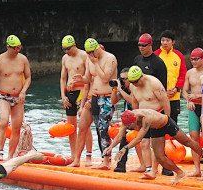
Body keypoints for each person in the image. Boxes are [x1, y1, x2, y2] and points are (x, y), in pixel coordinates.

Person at [106, 108, 203, 185]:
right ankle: (179, 173)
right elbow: (119, 136)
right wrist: (110, 148)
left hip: (166, 123)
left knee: (187, 142)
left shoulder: (146, 118)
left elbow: (139, 138)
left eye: (133, 125)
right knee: (160, 157)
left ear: (135, 119)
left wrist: (125, 148)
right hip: (156, 129)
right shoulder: (126, 120)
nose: (133, 127)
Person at [69, 38, 118, 169]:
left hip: (107, 98)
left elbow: (105, 78)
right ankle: (76, 160)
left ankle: (106, 161)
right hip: (94, 97)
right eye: (88, 53)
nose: (90, 56)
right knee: (82, 126)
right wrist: (81, 79)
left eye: (92, 53)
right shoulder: (89, 59)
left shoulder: (110, 58)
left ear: (97, 49)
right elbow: (88, 78)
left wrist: (96, 63)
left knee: (102, 129)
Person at [0, 35, 31, 161]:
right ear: (8, 47)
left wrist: (23, 92)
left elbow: (28, 77)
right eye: (15, 48)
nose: (18, 50)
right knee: (4, 121)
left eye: (19, 47)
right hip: (3, 97)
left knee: (16, 126)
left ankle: (10, 156)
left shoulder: (23, 59)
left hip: (18, 97)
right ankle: (0, 152)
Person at [127, 66, 171, 179]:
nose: (135, 84)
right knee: (144, 143)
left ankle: (154, 170)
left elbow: (165, 101)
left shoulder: (154, 83)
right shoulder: (133, 86)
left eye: (136, 81)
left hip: (157, 116)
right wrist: (134, 120)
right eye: (132, 82)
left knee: (155, 145)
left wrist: (167, 120)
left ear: (142, 76)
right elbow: (135, 102)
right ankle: (149, 169)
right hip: (143, 117)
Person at [60, 35, 92, 166]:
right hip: (69, 94)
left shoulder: (84, 56)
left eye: (68, 48)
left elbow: (89, 78)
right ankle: (74, 156)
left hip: (81, 93)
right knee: (71, 128)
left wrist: (84, 100)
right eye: (63, 49)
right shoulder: (65, 58)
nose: (66, 51)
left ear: (74, 45)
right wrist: (63, 96)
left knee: (85, 126)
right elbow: (63, 78)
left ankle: (88, 155)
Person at [110, 68, 145, 173]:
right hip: (129, 119)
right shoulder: (124, 90)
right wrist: (115, 88)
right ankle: (121, 165)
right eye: (122, 79)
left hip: (140, 117)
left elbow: (133, 102)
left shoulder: (136, 89)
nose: (124, 81)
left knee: (142, 141)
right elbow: (113, 101)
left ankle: (145, 165)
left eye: (126, 79)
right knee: (125, 139)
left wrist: (120, 90)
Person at [183, 47, 203, 177]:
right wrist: (188, 100)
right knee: (193, 138)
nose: (193, 62)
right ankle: (197, 169)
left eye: (196, 59)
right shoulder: (189, 73)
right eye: (192, 59)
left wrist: (197, 97)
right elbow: (185, 91)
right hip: (193, 107)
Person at [154, 30, 187, 123]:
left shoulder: (179, 55)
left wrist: (176, 88)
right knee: (158, 122)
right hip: (159, 96)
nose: (164, 43)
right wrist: (163, 91)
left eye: (167, 40)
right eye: (163, 40)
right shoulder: (156, 55)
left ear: (173, 42)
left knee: (173, 122)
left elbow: (182, 74)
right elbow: (152, 76)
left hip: (174, 95)